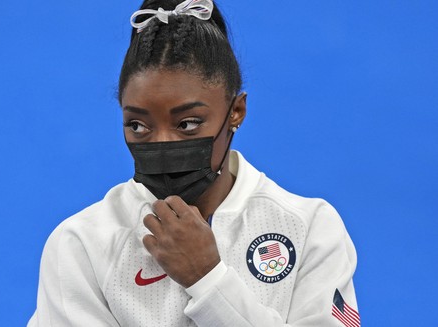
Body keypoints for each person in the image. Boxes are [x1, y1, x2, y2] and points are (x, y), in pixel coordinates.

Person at [28, 0, 360, 326]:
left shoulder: (310, 228)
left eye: (187, 124)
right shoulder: (82, 243)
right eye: (138, 126)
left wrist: (208, 279)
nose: (161, 144)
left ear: (236, 112)